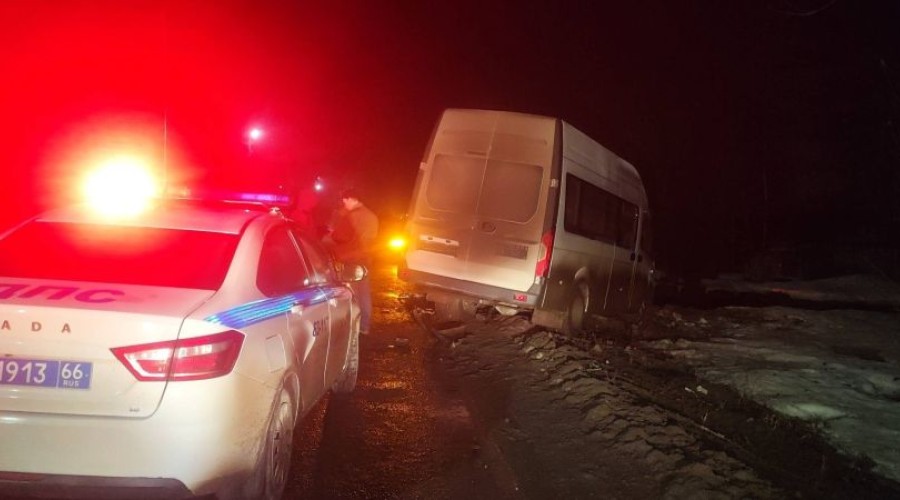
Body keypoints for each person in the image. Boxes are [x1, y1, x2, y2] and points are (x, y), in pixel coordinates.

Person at [323, 188, 379, 335]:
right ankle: (365, 325)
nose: (344, 204)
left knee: (352, 293)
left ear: (352, 199)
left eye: (345, 201)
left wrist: (328, 237)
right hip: (365, 260)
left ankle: (353, 325)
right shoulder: (372, 216)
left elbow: (339, 237)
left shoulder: (352, 216)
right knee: (364, 293)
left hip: (351, 260)